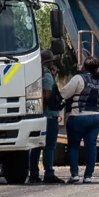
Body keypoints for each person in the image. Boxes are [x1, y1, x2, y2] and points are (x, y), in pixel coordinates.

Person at [60, 56, 99, 184]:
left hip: (78, 117)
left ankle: (75, 175)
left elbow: (64, 93)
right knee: (91, 147)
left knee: (73, 147)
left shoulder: (78, 79)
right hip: (95, 118)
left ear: (84, 67)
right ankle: (88, 176)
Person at [29, 50, 63, 184]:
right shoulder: (47, 76)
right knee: (49, 146)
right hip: (50, 116)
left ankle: (33, 174)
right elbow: (47, 94)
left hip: (38, 115)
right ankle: (49, 172)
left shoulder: (36, 73)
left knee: (36, 146)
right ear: (48, 62)